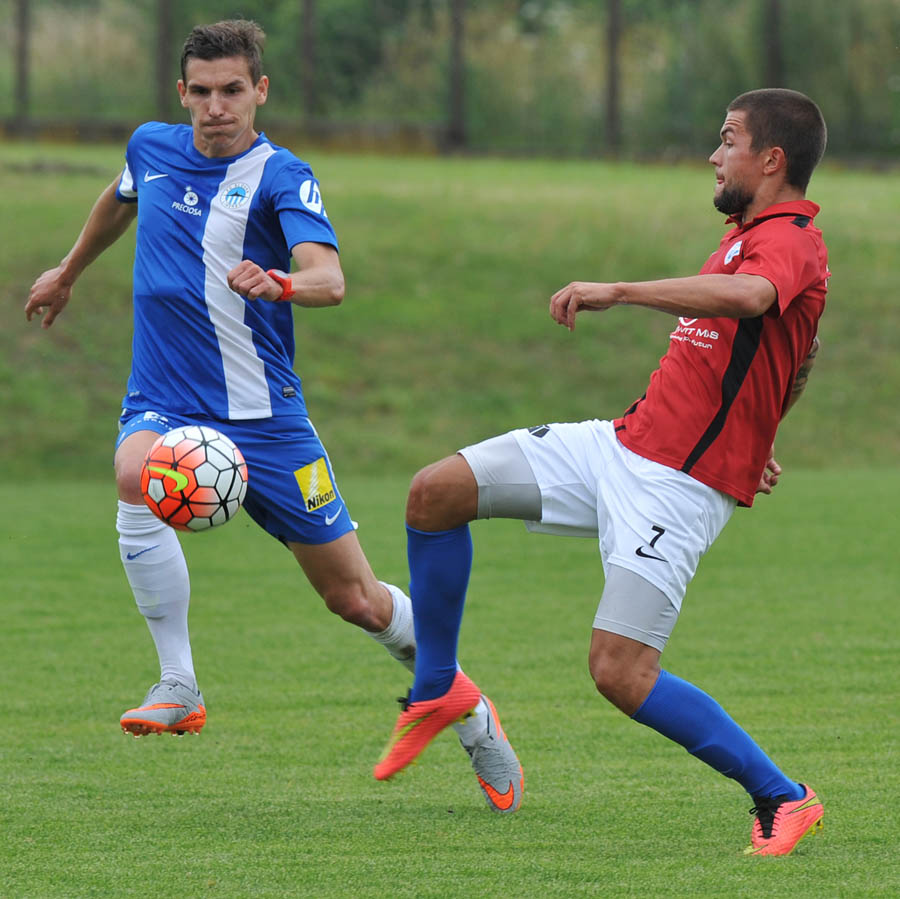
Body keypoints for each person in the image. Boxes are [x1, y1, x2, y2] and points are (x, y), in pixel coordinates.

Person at [22, 21, 510, 806]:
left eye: (232, 90)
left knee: (355, 598)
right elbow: (120, 199)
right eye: (202, 92)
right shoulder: (151, 146)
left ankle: (468, 707)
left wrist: (280, 283)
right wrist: (68, 269)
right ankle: (178, 682)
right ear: (182, 94)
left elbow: (330, 279)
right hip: (167, 399)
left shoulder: (283, 176)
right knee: (132, 472)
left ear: (261, 91)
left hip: (266, 420)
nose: (216, 107)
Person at [374, 88, 829, 855]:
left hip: (675, 488)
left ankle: (784, 794)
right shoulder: (744, 236)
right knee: (435, 492)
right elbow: (795, 350)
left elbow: (754, 300)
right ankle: (438, 686)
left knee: (621, 671)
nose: (714, 155)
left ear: (772, 159)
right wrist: (758, 428)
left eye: (728, 140)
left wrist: (619, 290)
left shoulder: (791, 239)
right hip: (618, 444)